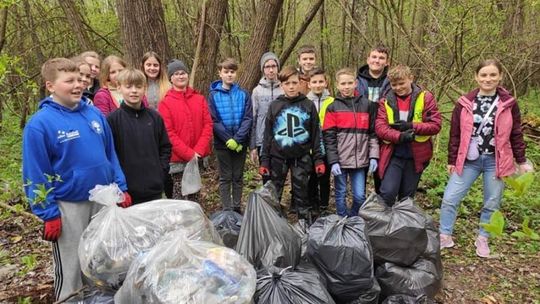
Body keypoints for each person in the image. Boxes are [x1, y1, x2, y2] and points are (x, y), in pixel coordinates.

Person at [22, 58, 131, 301]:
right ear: (50, 86)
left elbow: (110, 154)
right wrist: (47, 212)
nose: (77, 85)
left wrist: (121, 187)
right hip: (68, 206)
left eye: (80, 80)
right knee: (71, 266)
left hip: (103, 200)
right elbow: (35, 173)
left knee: (104, 261)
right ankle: (70, 299)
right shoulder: (40, 125)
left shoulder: (93, 114)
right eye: (69, 81)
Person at [439, 59, 533, 258]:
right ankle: (444, 235)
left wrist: (522, 160)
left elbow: (516, 133)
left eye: (492, 75)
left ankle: (483, 238)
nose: (488, 79)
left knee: (492, 202)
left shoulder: (509, 104)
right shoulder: (464, 102)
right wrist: (451, 159)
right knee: (449, 198)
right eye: (483, 75)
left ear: (500, 77)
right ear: (476, 77)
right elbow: (455, 133)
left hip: (496, 161)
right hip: (468, 160)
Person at [259, 66, 325, 221]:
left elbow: (316, 134)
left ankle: (303, 225)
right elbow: (267, 135)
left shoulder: (308, 105)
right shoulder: (275, 105)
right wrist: (264, 160)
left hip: (301, 157)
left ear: (300, 83)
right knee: (274, 192)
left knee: (302, 193)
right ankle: (273, 224)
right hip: (278, 157)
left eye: (294, 83)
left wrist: (318, 159)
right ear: (281, 85)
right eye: (287, 83)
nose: (291, 86)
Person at [375, 64, 442, 206]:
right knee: (387, 192)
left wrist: (412, 126)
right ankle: (384, 224)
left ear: (411, 78)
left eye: (401, 83)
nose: (398, 87)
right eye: (394, 85)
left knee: (406, 197)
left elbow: (435, 125)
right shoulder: (385, 101)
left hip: (416, 155)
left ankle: (402, 225)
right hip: (393, 153)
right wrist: (400, 136)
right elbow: (380, 128)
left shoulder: (426, 98)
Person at [107, 68, 172, 204]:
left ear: (145, 88)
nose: (134, 91)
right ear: (119, 87)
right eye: (128, 86)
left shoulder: (154, 117)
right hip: (127, 191)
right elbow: (110, 154)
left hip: (154, 188)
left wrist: (160, 172)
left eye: (138, 86)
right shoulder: (113, 120)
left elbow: (165, 147)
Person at [322, 68, 379, 217]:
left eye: (349, 83)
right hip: (340, 161)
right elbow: (329, 137)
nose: (346, 87)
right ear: (337, 85)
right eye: (343, 83)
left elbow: (372, 134)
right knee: (340, 193)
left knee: (360, 196)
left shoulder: (367, 105)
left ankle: (353, 217)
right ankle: (342, 219)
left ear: (355, 83)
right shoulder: (332, 107)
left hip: (360, 161)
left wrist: (373, 156)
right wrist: (333, 161)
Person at [158, 59, 213, 200]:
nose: (180, 76)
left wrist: (198, 150)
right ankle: (179, 222)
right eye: (176, 74)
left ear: (188, 75)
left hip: (198, 157)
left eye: (183, 73)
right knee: (179, 194)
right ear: (171, 78)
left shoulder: (199, 99)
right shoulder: (165, 103)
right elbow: (168, 133)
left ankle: (195, 219)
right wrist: (188, 153)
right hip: (178, 159)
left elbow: (207, 125)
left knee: (195, 193)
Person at [208, 58, 252, 213]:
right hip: (222, 143)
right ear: (220, 73)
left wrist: (238, 139)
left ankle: (236, 206)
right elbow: (214, 120)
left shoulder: (243, 94)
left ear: (236, 74)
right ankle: (227, 208)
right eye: (226, 72)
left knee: (238, 176)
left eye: (232, 72)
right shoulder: (213, 95)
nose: (229, 75)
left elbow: (248, 118)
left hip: (240, 143)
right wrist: (228, 139)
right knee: (226, 176)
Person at [357, 45, 391, 194]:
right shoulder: (356, 80)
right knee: (361, 169)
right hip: (362, 129)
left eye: (381, 58)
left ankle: (381, 203)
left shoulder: (391, 81)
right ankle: (361, 203)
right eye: (374, 57)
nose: (377, 61)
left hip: (385, 130)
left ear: (387, 62)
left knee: (382, 169)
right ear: (368, 59)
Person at [250, 51, 283, 176]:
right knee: (265, 174)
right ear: (263, 69)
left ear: (277, 68)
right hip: (262, 140)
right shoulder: (257, 91)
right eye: (267, 67)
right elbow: (253, 118)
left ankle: (276, 196)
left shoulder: (283, 89)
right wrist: (253, 145)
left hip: (281, 139)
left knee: (279, 175)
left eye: (273, 66)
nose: (271, 70)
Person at [306, 68, 334, 214]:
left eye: (321, 81)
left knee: (325, 177)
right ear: (309, 84)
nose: (318, 85)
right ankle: (312, 204)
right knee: (311, 177)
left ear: (326, 83)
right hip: (309, 146)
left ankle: (324, 205)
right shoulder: (304, 101)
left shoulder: (332, 101)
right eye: (314, 82)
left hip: (327, 145)